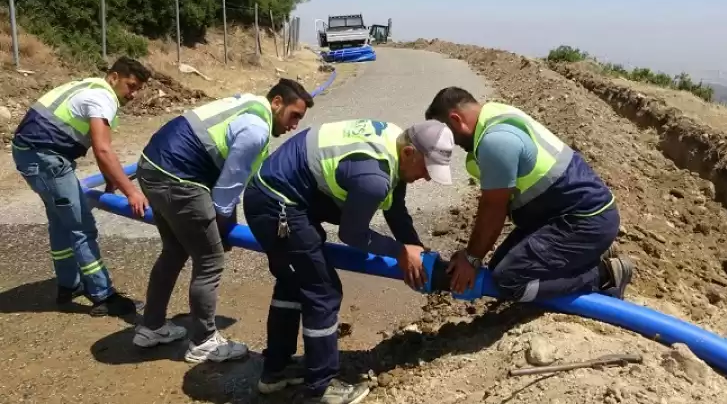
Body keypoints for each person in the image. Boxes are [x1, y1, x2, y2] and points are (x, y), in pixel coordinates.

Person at [243, 118, 454, 403]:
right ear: (409, 153)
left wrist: (416, 248)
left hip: (290, 197)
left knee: (295, 281)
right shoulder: (374, 178)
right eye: (426, 170)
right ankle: (321, 387)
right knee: (323, 291)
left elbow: (396, 208)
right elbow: (352, 234)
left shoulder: (396, 144)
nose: (427, 178)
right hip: (276, 203)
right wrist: (400, 252)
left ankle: (275, 371)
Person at [130, 78, 314, 364]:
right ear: (277, 102)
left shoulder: (250, 104)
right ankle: (203, 342)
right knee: (210, 260)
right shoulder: (256, 129)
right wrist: (223, 229)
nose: (294, 126)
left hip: (152, 167)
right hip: (180, 180)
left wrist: (225, 221)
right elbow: (226, 191)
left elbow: (236, 181)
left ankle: (151, 327)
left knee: (175, 250)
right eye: (294, 116)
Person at [423, 87, 634, 304]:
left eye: (450, 136)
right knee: (498, 268)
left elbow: (494, 208)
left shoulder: (495, 142)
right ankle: (590, 252)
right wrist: (472, 254)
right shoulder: (494, 114)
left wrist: (471, 258)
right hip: (571, 215)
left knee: (510, 280)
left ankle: (605, 274)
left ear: (456, 119)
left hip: (586, 221)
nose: (454, 144)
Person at [11, 57, 151, 317]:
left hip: (36, 154)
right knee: (81, 226)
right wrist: (131, 191)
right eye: (131, 86)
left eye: (138, 89)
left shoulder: (90, 88)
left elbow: (102, 146)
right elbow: (102, 148)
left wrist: (111, 177)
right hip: (45, 158)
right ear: (114, 77)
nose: (134, 94)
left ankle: (68, 285)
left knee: (61, 221)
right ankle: (103, 295)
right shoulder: (102, 98)